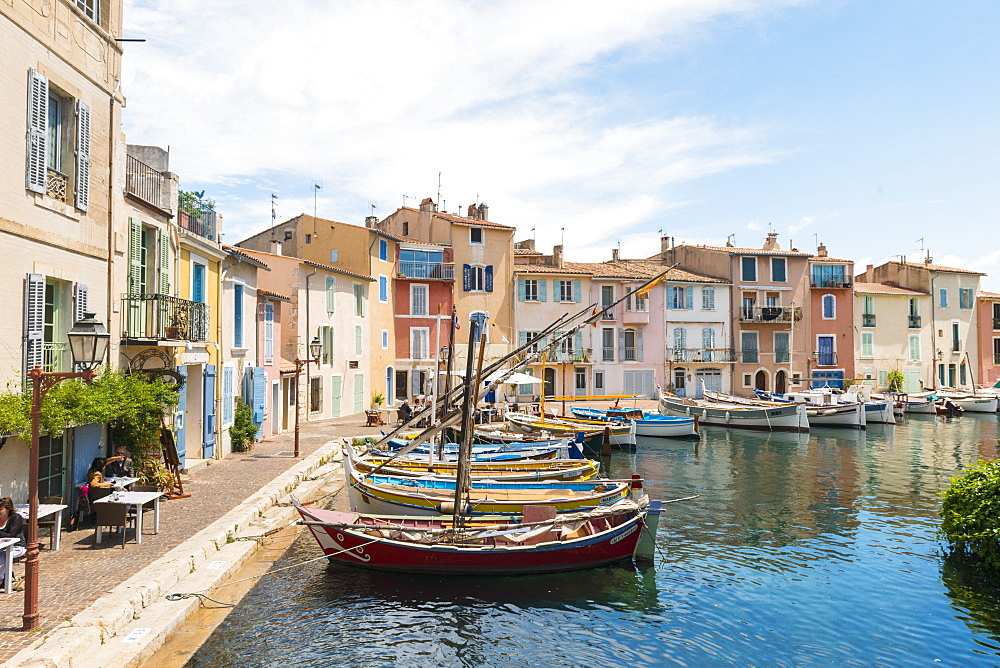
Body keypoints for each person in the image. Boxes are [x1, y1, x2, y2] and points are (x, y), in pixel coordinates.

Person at [0, 497, 26, 589]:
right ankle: (4, 576)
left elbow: (11, 535)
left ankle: (2, 579)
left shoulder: (16, 518)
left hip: (17, 547)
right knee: (2, 555)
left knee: (3, 557)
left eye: (0, 509)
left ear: (8, 509)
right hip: (1, 547)